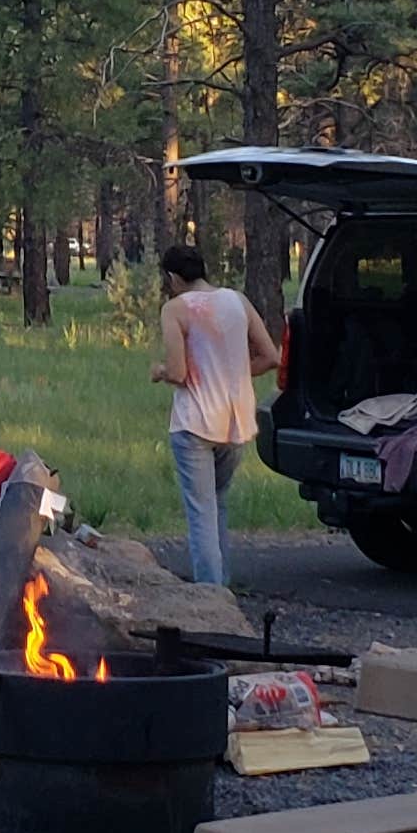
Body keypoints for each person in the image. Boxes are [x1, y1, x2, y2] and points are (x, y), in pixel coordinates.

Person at [151, 241, 277, 593]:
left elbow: (178, 372)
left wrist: (160, 371)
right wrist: (233, 371)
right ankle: (222, 585)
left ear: (173, 277)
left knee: (201, 512)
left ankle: (209, 595)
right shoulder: (237, 301)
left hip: (195, 422)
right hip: (234, 421)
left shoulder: (176, 310)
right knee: (218, 504)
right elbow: (271, 357)